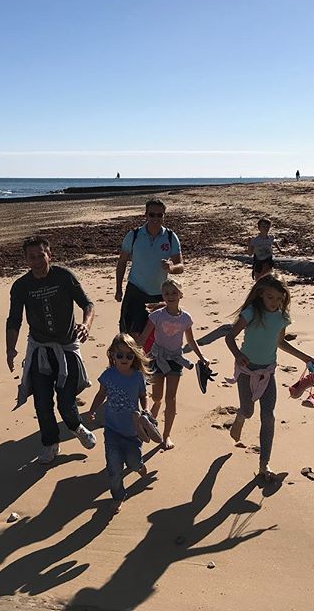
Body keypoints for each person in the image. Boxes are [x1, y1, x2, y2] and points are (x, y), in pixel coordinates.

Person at [6, 236, 97, 464]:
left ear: (50, 254)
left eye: (41, 255)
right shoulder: (21, 286)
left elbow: (88, 304)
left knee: (66, 402)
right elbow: (14, 320)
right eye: (32, 257)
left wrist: (86, 325)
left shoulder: (64, 277)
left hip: (66, 348)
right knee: (42, 403)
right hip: (39, 350)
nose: (37, 260)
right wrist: (10, 350)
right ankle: (50, 444)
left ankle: (76, 427)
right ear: (26, 259)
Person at [225, 275, 314, 481]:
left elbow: (280, 343)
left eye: (279, 298)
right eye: (270, 297)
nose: (274, 302)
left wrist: (307, 358)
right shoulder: (250, 313)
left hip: (268, 372)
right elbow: (229, 337)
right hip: (246, 371)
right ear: (260, 294)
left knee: (268, 416)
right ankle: (240, 417)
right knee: (248, 410)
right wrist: (237, 355)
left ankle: (264, 464)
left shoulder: (282, 318)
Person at [138, 278, 210, 450]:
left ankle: (166, 435)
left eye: (174, 293)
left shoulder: (186, 318)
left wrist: (202, 357)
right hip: (157, 358)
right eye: (167, 293)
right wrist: (134, 356)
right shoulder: (157, 316)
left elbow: (191, 341)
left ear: (180, 294)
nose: (170, 296)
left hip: (176, 360)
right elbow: (142, 338)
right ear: (163, 295)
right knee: (157, 397)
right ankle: (152, 416)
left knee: (171, 398)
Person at [88, 334, 150, 514]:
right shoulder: (108, 375)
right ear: (112, 355)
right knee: (114, 468)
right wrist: (92, 410)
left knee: (133, 461)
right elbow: (101, 394)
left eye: (129, 356)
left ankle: (139, 466)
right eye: (119, 355)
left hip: (133, 431)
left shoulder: (137, 377)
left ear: (134, 358)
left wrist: (145, 411)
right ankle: (117, 496)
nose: (124, 359)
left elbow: (143, 396)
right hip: (112, 430)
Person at [115, 198, 183, 338]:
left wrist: (171, 268)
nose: (155, 218)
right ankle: (131, 360)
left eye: (159, 215)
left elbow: (180, 266)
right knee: (130, 335)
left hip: (160, 294)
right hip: (135, 291)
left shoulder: (170, 237)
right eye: (152, 214)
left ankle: (152, 360)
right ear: (145, 215)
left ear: (164, 216)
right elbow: (121, 263)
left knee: (156, 336)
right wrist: (118, 289)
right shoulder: (133, 235)